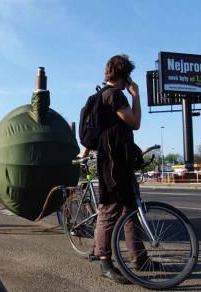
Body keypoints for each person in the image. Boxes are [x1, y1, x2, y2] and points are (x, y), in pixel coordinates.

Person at [78, 54, 147, 285]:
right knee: (108, 213)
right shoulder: (115, 96)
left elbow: (97, 133)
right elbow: (135, 122)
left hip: (116, 161)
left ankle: (140, 258)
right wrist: (136, 96)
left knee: (130, 210)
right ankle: (105, 263)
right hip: (114, 163)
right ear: (126, 75)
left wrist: (85, 153)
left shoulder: (99, 95)